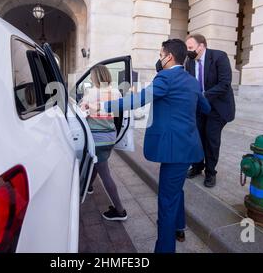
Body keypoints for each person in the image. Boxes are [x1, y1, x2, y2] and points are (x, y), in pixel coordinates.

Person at [99, 39, 211, 253]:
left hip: (174, 150)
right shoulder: (192, 81)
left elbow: (137, 100)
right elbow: (205, 108)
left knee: (166, 202)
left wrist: (103, 105)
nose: (159, 59)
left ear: (169, 57)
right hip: (187, 146)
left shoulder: (166, 78)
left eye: (161, 55)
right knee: (175, 189)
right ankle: (179, 226)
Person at [185, 34, 236, 188]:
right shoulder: (190, 63)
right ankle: (197, 166)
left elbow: (225, 83)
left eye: (190, 47)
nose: (188, 51)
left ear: (201, 46)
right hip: (200, 107)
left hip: (218, 107)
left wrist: (203, 95)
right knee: (197, 137)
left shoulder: (219, 57)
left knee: (211, 139)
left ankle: (210, 172)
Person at [79, 64, 128, 221]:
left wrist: (87, 107)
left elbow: (82, 112)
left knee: (104, 172)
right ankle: (89, 186)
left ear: (95, 77)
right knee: (98, 163)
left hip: (97, 139)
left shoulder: (90, 93)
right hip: (110, 137)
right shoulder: (115, 92)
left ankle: (120, 211)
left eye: (92, 76)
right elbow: (118, 112)